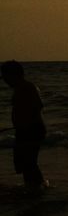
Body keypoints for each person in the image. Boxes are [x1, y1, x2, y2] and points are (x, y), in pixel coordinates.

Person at [3, 61, 47, 192]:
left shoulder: (28, 87)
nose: (4, 80)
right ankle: (33, 187)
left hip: (32, 130)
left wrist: (25, 124)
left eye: (5, 76)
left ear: (14, 75)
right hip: (24, 130)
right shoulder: (19, 88)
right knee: (23, 163)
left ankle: (37, 188)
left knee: (29, 162)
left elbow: (38, 106)